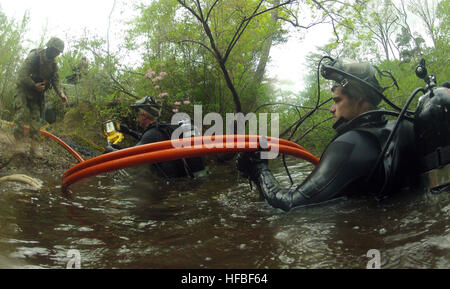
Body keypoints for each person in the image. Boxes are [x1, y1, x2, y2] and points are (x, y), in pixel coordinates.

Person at [237, 59, 418, 211]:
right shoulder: (404, 127)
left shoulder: (349, 145)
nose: (331, 109)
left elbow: (291, 205)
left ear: (360, 101)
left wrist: (259, 168)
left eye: (337, 101)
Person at [107, 96, 207, 179]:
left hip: (172, 189)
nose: (138, 118)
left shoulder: (152, 134)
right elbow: (145, 139)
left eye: (138, 115)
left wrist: (112, 150)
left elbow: (131, 157)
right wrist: (128, 131)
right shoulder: (163, 129)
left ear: (144, 115)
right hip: (187, 180)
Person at [13, 37, 68, 157]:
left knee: (36, 120)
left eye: (59, 52)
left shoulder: (53, 65)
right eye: (56, 51)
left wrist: (61, 94)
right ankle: (18, 143)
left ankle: (34, 147)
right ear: (50, 48)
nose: (57, 54)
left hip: (37, 94)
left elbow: (56, 81)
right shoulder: (35, 56)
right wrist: (34, 85)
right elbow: (21, 75)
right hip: (24, 88)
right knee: (20, 115)